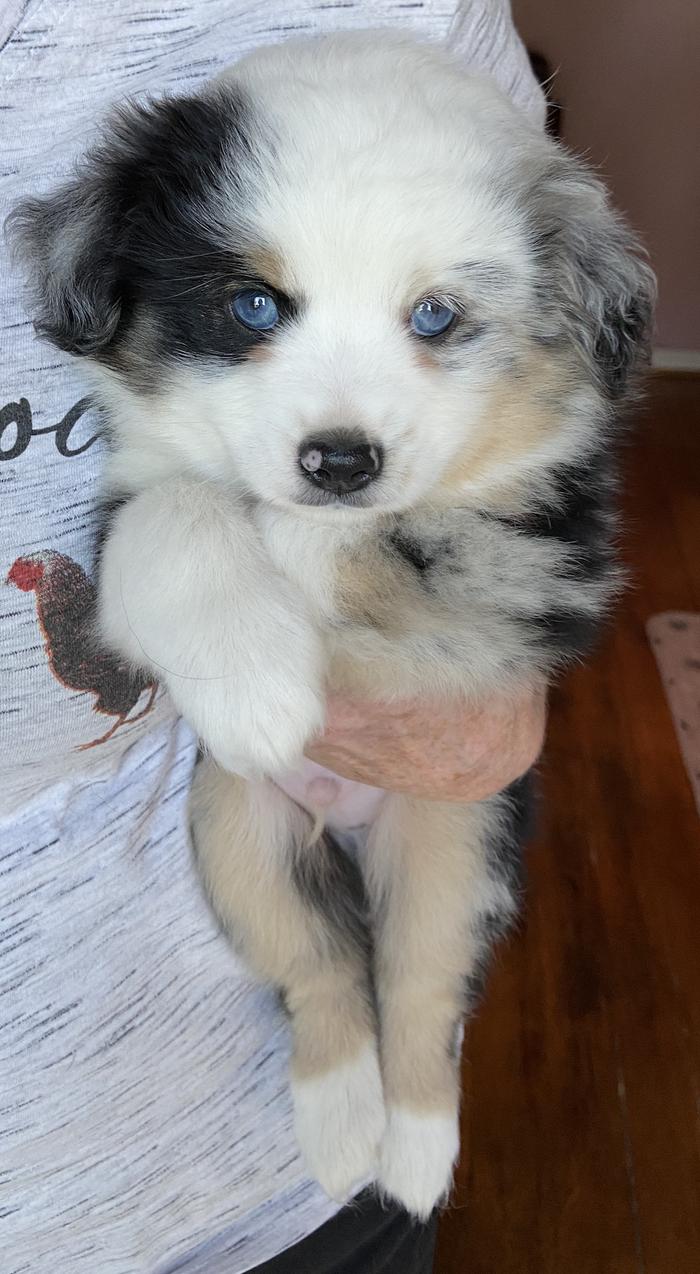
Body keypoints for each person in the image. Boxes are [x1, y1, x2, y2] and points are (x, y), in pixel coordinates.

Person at [0, 2, 545, 1270]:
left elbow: (543, 357)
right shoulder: (136, 224)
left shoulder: (395, 32)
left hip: (240, 1154)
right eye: (255, 305)